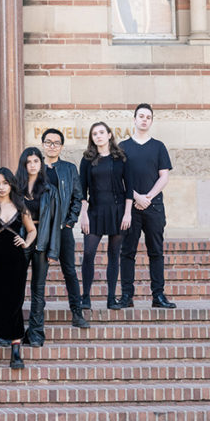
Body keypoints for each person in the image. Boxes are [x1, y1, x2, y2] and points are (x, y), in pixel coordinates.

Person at [118, 103, 176, 309]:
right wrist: (136, 197)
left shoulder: (158, 146)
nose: (144, 120)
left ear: (151, 121)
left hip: (154, 207)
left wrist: (148, 197)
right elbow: (119, 179)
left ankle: (158, 296)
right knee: (127, 252)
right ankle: (126, 296)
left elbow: (164, 176)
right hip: (130, 207)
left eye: (148, 117)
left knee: (156, 252)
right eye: (141, 116)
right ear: (134, 119)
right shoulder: (122, 147)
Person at [0, 168, 36, 370]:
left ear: (11, 184)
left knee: (14, 303)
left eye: (5, 183)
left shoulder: (21, 206)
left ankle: (15, 350)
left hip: (15, 262)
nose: (1, 187)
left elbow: (32, 230)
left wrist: (26, 242)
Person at [79, 122, 132, 311]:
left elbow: (129, 188)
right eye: (94, 134)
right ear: (92, 138)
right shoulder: (87, 159)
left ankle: (111, 298)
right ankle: (85, 297)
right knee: (88, 253)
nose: (98, 136)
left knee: (113, 254)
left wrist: (127, 213)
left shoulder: (121, 158)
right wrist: (83, 215)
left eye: (102, 132)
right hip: (94, 211)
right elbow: (82, 191)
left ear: (109, 135)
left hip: (118, 211)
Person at [40, 128, 90, 329]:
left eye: (56, 143)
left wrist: (70, 222)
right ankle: (38, 317)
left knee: (69, 270)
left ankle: (77, 313)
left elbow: (77, 197)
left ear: (61, 146)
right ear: (42, 144)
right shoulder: (35, 168)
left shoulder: (69, 169)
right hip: (42, 230)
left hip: (63, 228)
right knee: (40, 274)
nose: (52, 146)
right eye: (49, 142)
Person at [16, 146, 54, 347]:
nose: (32, 165)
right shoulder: (15, 188)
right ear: (24, 164)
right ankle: (13, 331)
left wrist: (52, 249)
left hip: (42, 241)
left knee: (38, 290)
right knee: (16, 288)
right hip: (20, 240)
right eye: (28, 162)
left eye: (36, 161)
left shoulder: (49, 189)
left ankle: (36, 333)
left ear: (41, 164)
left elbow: (55, 222)